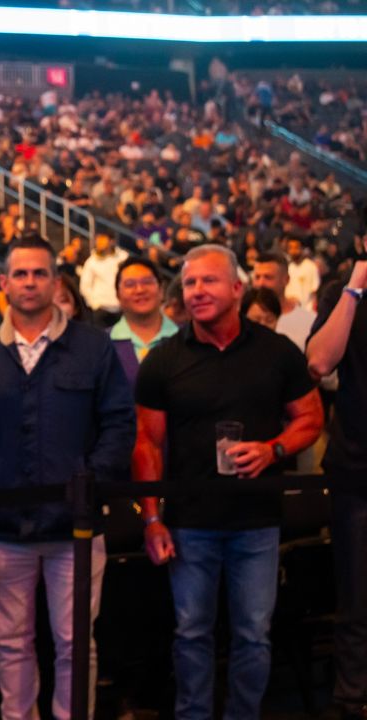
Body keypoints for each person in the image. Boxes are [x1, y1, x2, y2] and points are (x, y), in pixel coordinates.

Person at [133, 245, 324, 720]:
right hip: (189, 521)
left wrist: (272, 449)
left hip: (256, 519)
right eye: (190, 283)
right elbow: (147, 446)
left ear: (238, 289)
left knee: (253, 635)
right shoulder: (163, 360)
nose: (197, 291)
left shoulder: (276, 352)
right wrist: (153, 520)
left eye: (209, 281)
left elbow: (311, 418)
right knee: (191, 632)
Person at [0, 236, 134, 720]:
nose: (30, 282)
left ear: (56, 282)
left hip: (75, 529)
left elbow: (120, 423)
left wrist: (89, 481)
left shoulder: (93, 348)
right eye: (21, 274)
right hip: (4, 529)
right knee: (11, 644)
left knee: (77, 643)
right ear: (4, 283)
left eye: (40, 273)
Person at [307, 260, 367, 720]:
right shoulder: (341, 292)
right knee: (357, 596)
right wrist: (355, 286)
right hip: (357, 468)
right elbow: (320, 361)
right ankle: (352, 697)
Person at [109, 256, 180, 387]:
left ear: (161, 290)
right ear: (118, 295)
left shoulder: (186, 340)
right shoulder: (103, 344)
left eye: (147, 282)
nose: (140, 290)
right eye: (130, 284)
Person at [251, 252, 317, 348]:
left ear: (286, 280)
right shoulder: (242, 319)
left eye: (268, 277)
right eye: (257, 277)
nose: (261, 283)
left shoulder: (309, 322)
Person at [78, 233, 128, 325]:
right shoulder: (91, 261)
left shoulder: (123, 257)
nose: (99, 243)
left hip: (122, 308)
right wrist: (94, 304)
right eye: (98, 240)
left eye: (102, 240)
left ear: (112, 241)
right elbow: (85, 286)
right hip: (101, 308)